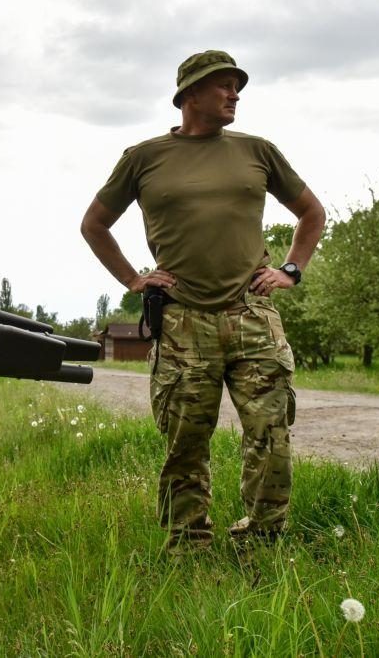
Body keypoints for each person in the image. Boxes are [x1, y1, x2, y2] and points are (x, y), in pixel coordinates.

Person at [80, 50, 325, 553]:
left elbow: (311, 212)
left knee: (270, 434)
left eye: (238, 86)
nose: (235, 94)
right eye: (224, 85)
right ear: (190, 93)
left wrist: (290, 271)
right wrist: (133, 278)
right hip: (183, 320)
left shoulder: (258, 151)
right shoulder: (144, 158)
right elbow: (94, 224)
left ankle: (262, 539)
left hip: (252, 314)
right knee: (185, 443)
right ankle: (188, 542)